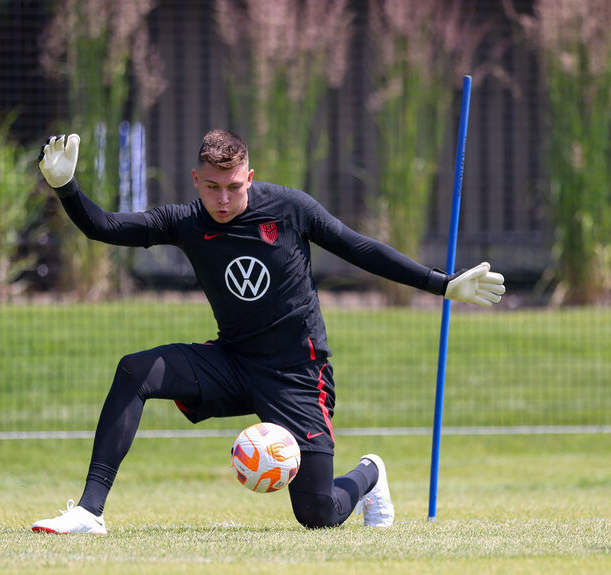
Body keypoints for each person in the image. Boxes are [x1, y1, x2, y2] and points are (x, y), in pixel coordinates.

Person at [31, 130, 505, 534]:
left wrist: (442, 284)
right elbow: (106, 227)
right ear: (196, 180)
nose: (222, 199)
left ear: (250, 178)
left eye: (233, 187)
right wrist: (66, 186)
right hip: (233, 362)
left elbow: (359, 248)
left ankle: (369, 475)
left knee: (317, 514)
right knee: (136, 370)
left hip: (298, 375)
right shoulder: (185, 222)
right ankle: (89, 511)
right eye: (212, 187)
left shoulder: (290, 208)